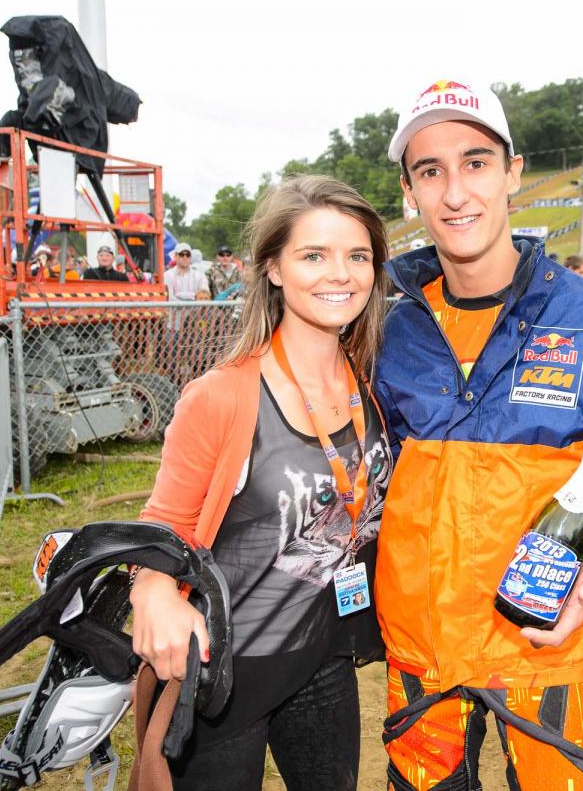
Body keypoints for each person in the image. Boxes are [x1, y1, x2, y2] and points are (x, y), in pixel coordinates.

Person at [374, 79, 583, 790]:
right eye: (431, 171)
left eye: (476, 162)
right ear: (410, 193)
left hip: (546, 641)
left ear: (514, 173)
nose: (455, 192)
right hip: (423, 652)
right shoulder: (387, 332)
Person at [132, 175, 392, 790]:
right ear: (273, 267)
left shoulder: (372, 381)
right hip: (227, 667)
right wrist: (152, 592)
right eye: (313, 255)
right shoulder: (221, 397)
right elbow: (163, 525)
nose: (341, 274)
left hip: (326, 655)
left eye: (358, 256)